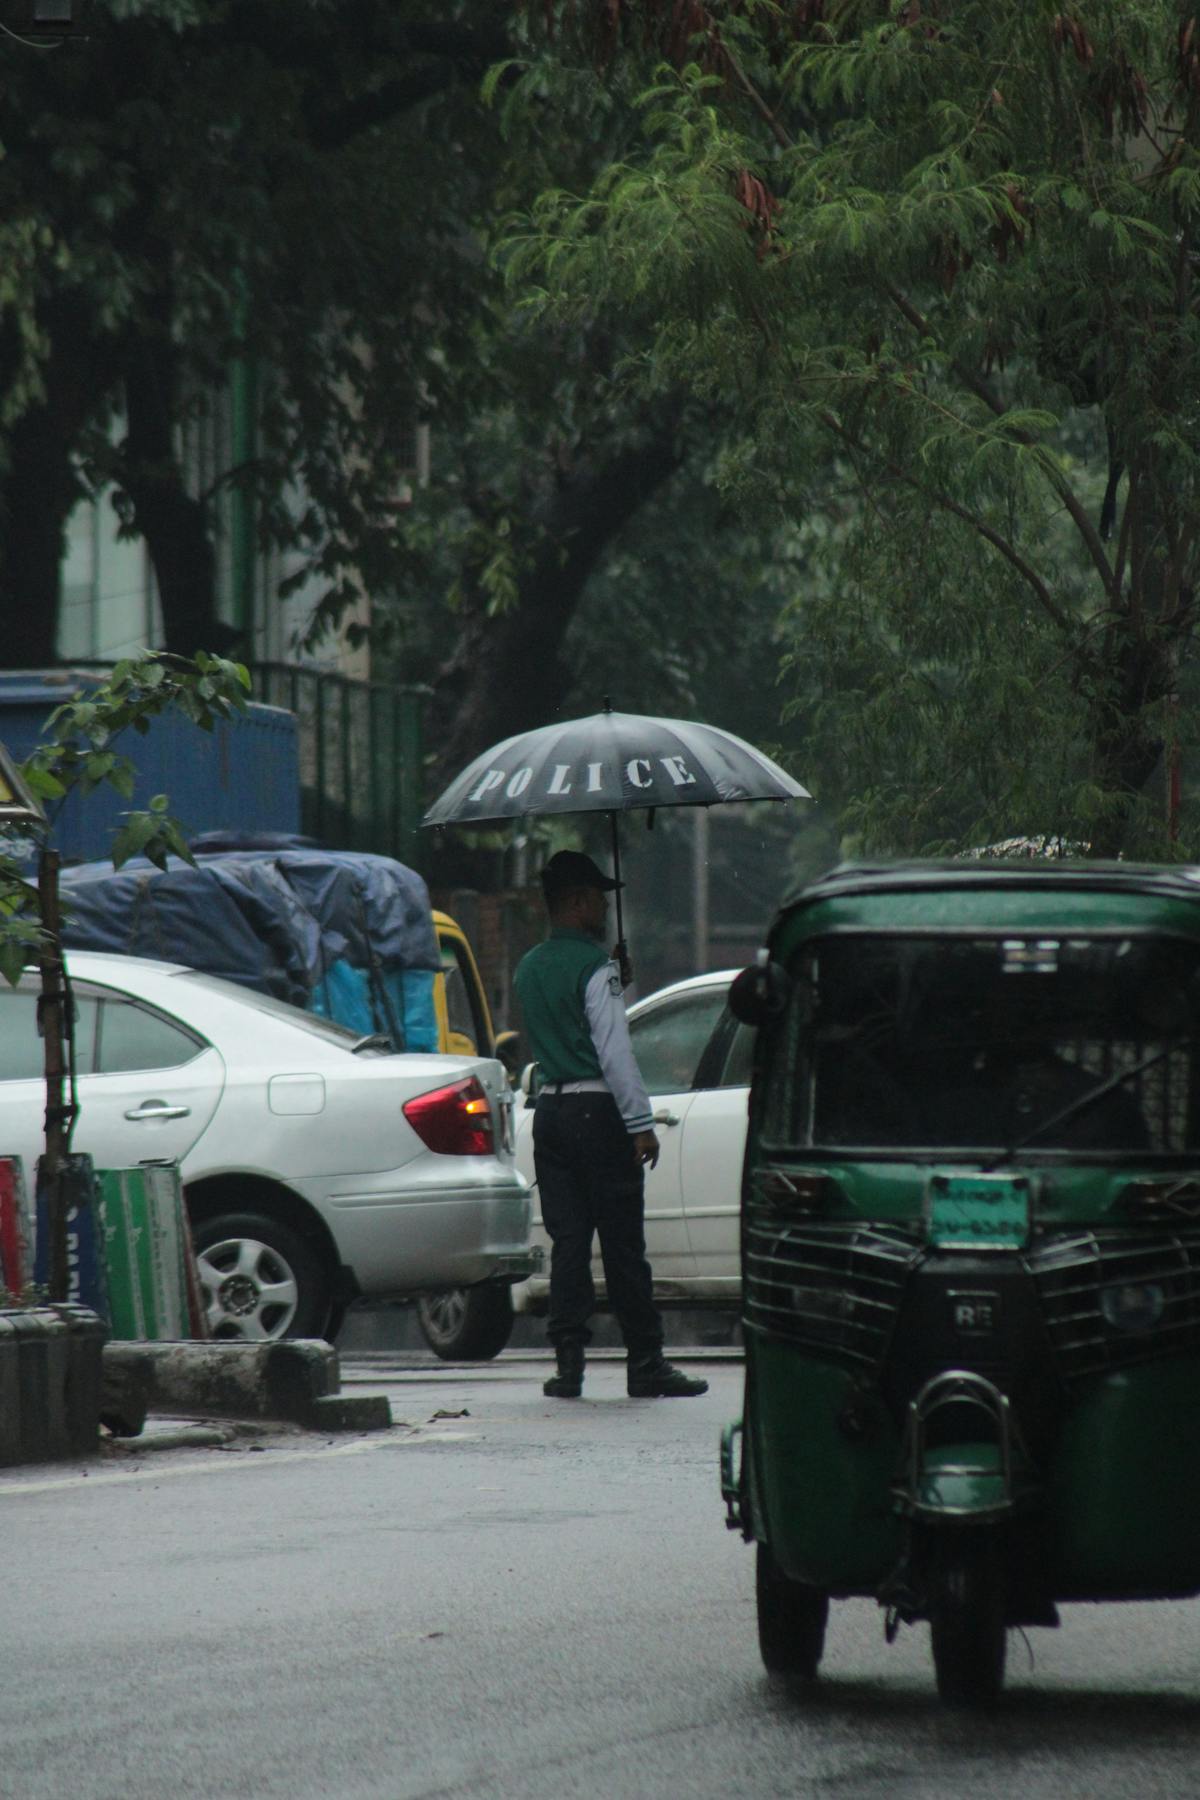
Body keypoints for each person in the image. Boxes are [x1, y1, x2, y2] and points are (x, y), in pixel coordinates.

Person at [513, 850, 708, 1401]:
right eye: (597, 897)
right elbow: (613, 1051)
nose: (602, 906)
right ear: (576, 902)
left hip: (549, 1113)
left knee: (568, 1243)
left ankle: (568, 1366)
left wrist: (617, 981)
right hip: (599, 1115)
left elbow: (566, 1030)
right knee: (623, 1245)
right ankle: (645, 1362)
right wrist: (640, 1122)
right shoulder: (595, 967)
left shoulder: (529, 967)